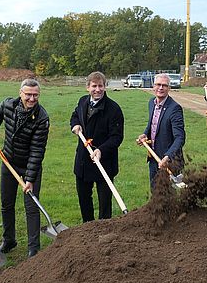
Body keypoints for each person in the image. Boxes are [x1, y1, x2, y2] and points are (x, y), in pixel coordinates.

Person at [0, 79, 49, 258]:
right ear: (20, 93)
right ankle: (9, 240)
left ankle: (33, 248)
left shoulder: (42, 118)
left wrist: (30, 178)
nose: (32, 98)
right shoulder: (8, 105)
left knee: (31, 206)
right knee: (7, 203)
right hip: (8, 161)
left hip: (30, 165)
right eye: (28, 94)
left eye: (35, 95)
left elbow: (37, 150)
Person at [71, 71, 124, 222]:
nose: (98, 89)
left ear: (105, 87)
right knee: (83, 197)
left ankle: (104, 231)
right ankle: (87, 227)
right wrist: (75, 124)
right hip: (83, 161)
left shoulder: (113, 109)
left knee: (104, 202)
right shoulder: (82, 102)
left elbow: (117, 137)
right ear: (87, 87)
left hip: (105, 162)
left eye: (101, 86)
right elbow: (75, 115)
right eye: (94, 86)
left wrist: (101, 150)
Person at [136, 73, 185, 188]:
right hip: (154, 158)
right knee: (155, 192)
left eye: (164, 85)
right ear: (154, 86)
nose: (161, 88)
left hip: (169, 160)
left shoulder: (174, 108)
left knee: (168, 196)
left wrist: (168, 156)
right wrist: (145, 135)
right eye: (158, 84)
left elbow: (180, 138)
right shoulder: (151, 103)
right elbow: (152, 124)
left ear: (169, 88)